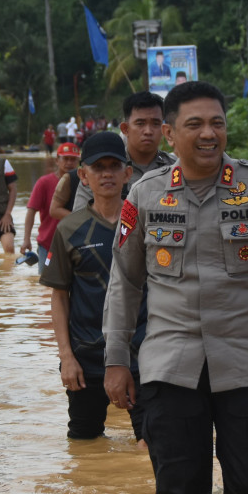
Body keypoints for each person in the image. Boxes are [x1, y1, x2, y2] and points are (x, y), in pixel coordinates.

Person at [104, 80, 248, 494]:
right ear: (169, 133)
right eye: (195, 124)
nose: (208, 134)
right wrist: (115, 361)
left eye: (217, 123)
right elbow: (125, 281)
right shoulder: (144, 193)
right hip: (169, 367)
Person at [40, 132, 147, 441]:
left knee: (150, 445)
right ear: (83, 175)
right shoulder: (69, 229)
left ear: (127, 173)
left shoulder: (145, 223)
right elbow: (59, 296)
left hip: (142, 353)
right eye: (98, 167)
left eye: (114, 166)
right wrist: (67, 357)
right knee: (84, 446)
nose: (106, 174)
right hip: (86, 355)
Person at [50, 92, 172, 221]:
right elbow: (81, 222)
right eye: (140, 123)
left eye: (155, 123)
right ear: (125, 129)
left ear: (164, 129)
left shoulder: (177, 169)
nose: (148, 131)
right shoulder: (99, 170)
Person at [22, 143, 80, 273]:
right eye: (65, 159)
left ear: (78, 162)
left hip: (76, 244)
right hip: (48, 244)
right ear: (57, 161)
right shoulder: (44, 182)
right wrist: (26, 239)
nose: (69, 163)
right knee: (45, 283)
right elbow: (31, 211)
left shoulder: (86, 184)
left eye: (73, 159)